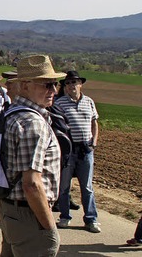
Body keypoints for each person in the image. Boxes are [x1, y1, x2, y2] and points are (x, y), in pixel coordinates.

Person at [0, 55, 66, 256]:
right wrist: (49, 226)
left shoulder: (11, 114)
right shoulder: (33, 123)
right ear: (25, 86)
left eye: (55, 84)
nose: (53, 90)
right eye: (46, 84)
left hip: (9, 209)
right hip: (29, 214)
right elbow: (32, 184)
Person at [55, 70, 101, 233]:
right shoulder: (60, 104)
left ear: (80, 84)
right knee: (65, 186)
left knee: (87, 187)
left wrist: (93, 142)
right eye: (68, 83)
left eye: (74, 82)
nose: (71, 85)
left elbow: (95, 123)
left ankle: (91, 219)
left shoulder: (89, 102)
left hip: (85, 149)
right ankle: (65, 216)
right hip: (69, 149)